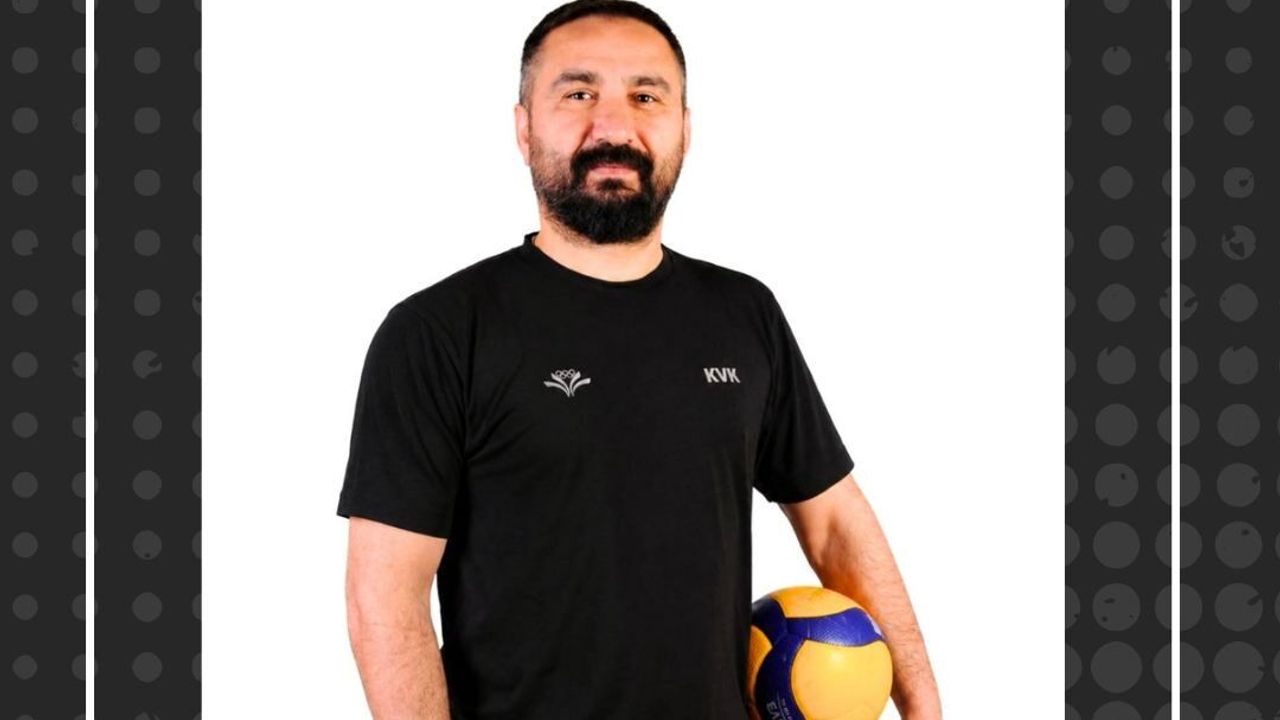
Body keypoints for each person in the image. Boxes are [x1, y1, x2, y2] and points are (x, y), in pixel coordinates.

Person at [336, 1, 942, 718]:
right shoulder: (438, 331)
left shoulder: (744, 313)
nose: (614, 126)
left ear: (685, 128)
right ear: (524, 128)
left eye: (646, 97)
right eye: (578, 93)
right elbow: (386, 597)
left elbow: (834, 521)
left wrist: (923, 704)